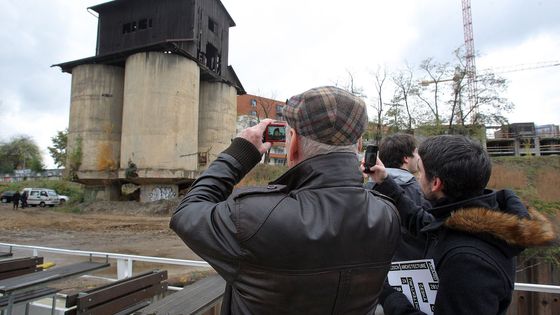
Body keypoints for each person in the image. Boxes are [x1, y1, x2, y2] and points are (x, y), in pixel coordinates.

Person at [171, 86, 401, 315]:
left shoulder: (253, 217)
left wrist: (238, 155)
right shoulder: (387, 214)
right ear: (359, 145)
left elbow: (187, 213)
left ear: (294, 145)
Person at [367, 135, 556, 315]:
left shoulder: (467, 260)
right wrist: (385, 181)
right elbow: (422, 223)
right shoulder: (473, 223)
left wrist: (390, 296)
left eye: (420, 172)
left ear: (436, 183)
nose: (417, 178)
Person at [366, 133, 431, 261]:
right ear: (406, 158)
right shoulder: (423, 192)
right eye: (416, 153)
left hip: (374, 271)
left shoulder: (364, 192)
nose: (419, 158)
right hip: (415, 271)